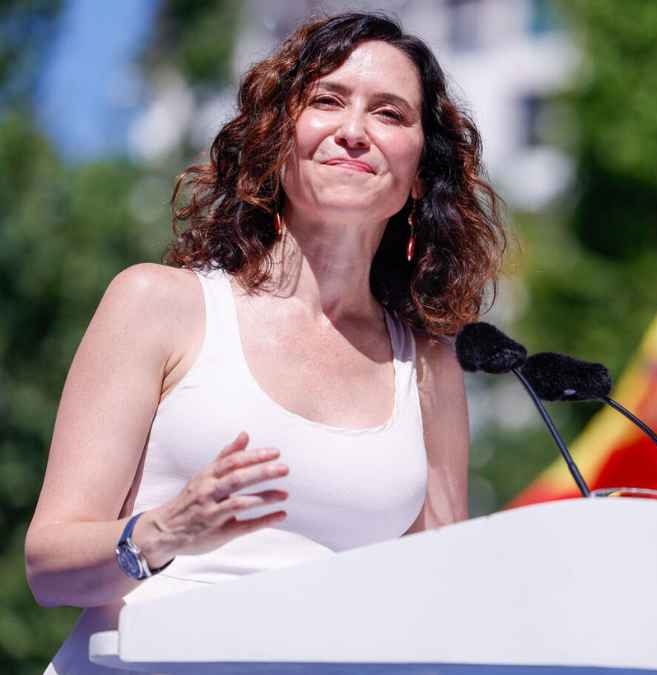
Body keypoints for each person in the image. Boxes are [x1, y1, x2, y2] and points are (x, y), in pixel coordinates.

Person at [25, 12, 505, 674]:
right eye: (327, 100)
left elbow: (437, 596)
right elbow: (49, 570)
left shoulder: (429, 363)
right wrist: (167, 530)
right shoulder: (159, 304)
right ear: (279, 138)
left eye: (390, 114)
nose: (354, 131)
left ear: (421, 171)